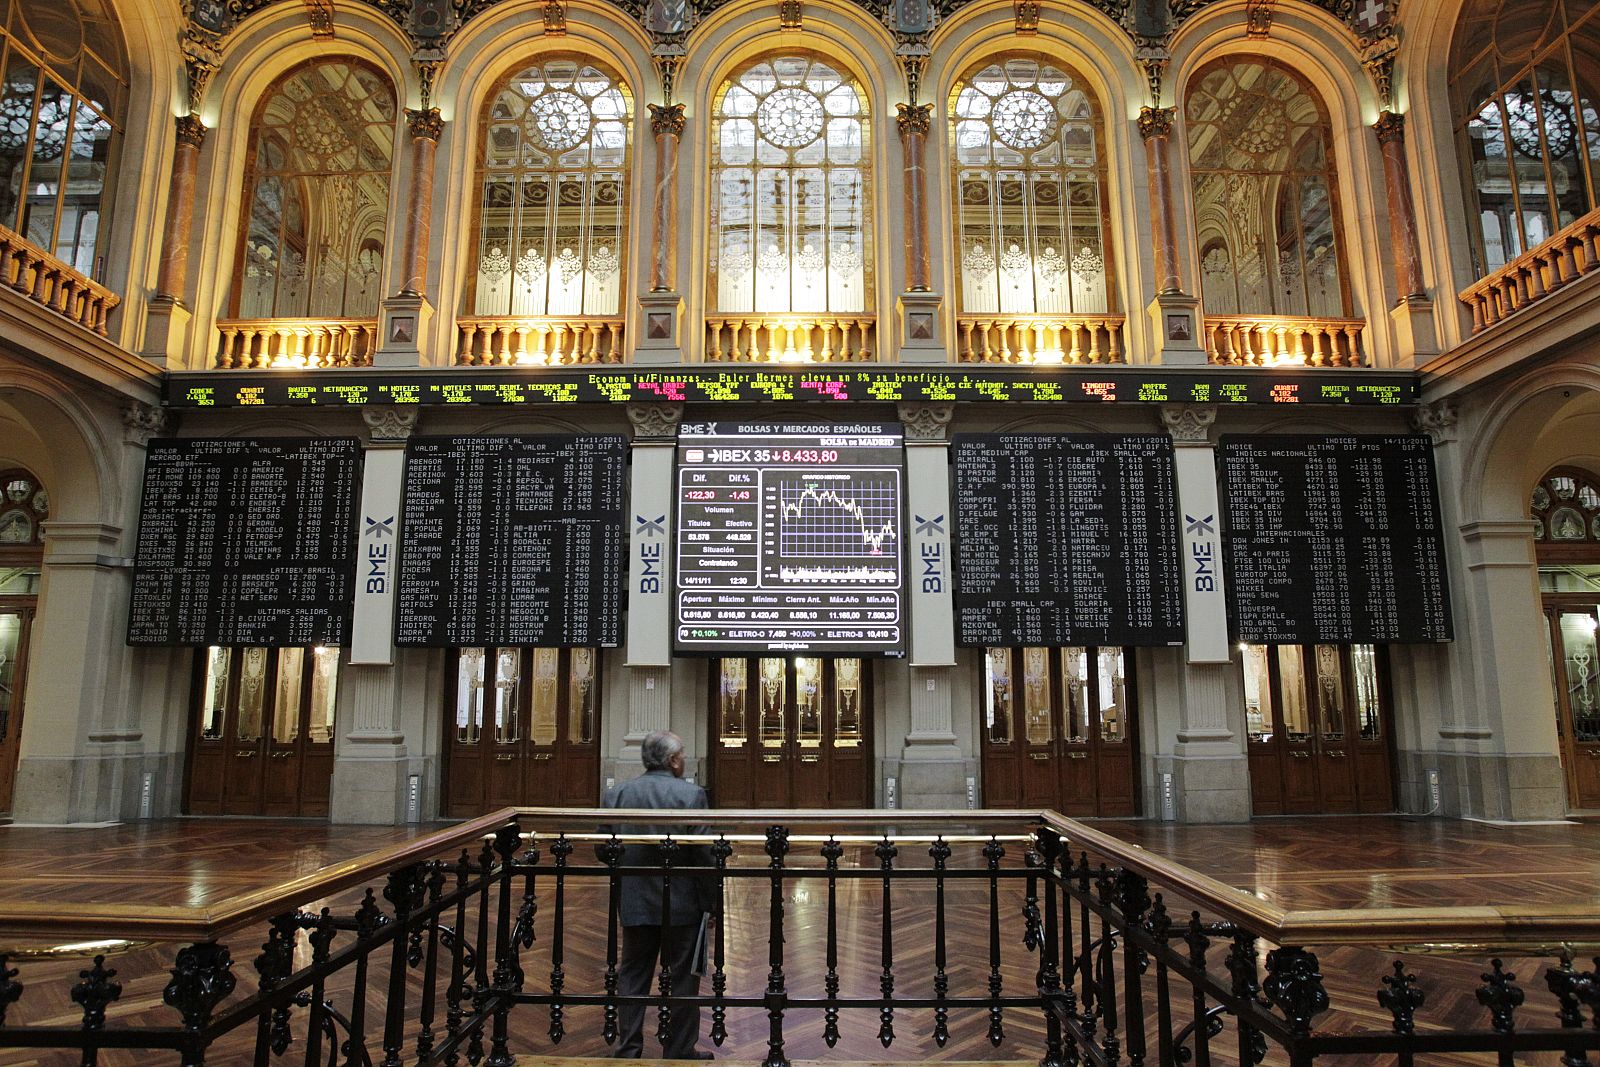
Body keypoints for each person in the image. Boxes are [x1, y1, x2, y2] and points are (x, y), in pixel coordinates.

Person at [601, 730, 716, 1060]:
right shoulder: (692, 796)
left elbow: (601, 849)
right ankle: (680, 1050)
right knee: (683, 978)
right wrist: (712, 904)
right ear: (674, 760)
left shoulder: (618, 794)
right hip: (682, 904)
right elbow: (704, 856)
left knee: (633, 976)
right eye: (681, 755)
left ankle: (628, 1048)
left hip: (635, 900)